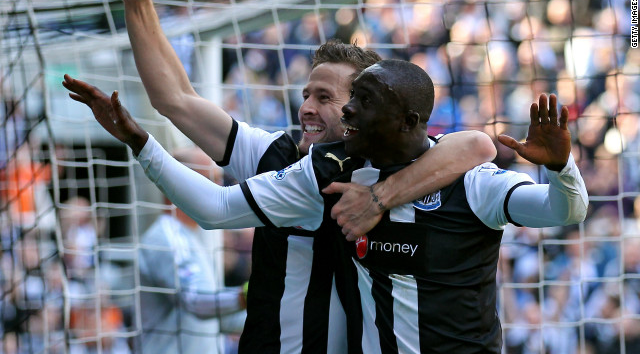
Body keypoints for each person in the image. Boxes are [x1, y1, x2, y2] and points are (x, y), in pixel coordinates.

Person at [64, 59, 587, 352]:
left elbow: (564, 212)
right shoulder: (328, 171)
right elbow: (217, 210)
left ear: (408, 120)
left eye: (364, 101)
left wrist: (563, 168)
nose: (349, 111)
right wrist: (140, 143)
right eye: (350, 97)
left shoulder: (473, 184)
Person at [112, 0, 497, 351]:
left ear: (364, 108)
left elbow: (476, 145)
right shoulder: (274, 155)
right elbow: (174, 98)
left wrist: (382, 196)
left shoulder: (386, 166)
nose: (307, 109)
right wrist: (137, 2)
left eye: (325, 98)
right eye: (306, 95)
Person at [136, 146, 246, 353]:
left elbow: (217, 320)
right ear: (178, 184)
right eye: (211, 180)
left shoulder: (196, 236)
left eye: (220, 180)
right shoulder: (165, 238)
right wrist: (250, 294)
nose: (221, 189)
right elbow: (196, 303)